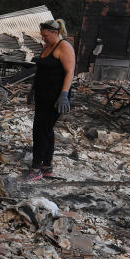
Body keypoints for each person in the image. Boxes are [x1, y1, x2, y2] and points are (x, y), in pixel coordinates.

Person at [26, 18, 75, 180]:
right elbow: (41, 71)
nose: (43, 38)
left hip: (55, 97)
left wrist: (64, 95)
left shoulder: (65, 47)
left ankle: (36, 169)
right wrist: (33, 90)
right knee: (45, 130)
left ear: (55, 32)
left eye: (45, 35)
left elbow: (70, 72)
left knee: (41, 131)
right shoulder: (48, 46)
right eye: (42, 35)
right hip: (42, 96)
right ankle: (47, 167)